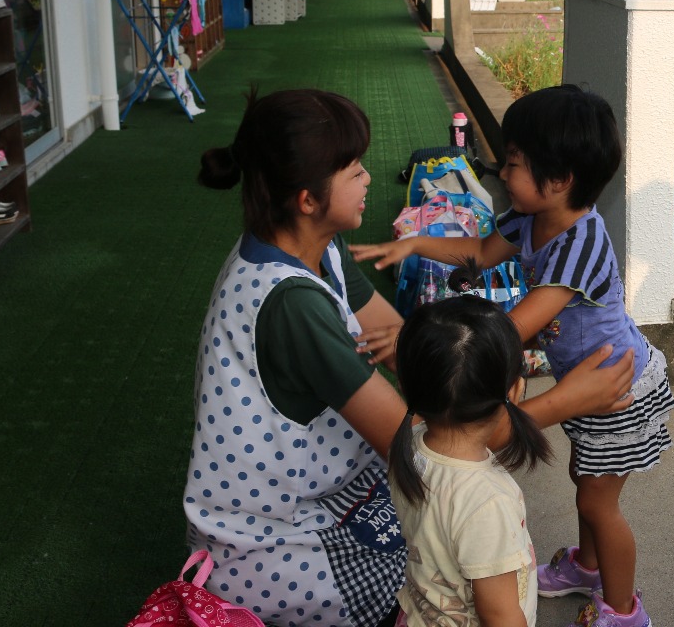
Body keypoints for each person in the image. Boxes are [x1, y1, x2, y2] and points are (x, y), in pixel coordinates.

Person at [186, 88, 636, 627]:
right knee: (449, 567)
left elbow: (405, 341)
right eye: (353, 170)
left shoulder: (314, 247)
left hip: (328, 481)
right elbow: (433, 446)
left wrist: (448, 356)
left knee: (452, 532)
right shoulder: (291, 307)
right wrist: (567, 400)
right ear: (307, 199)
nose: (369, 179)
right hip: (275, 536)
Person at [353, 84, 674, 627]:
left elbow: (509, 329)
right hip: (585, 384)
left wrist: (416, 336)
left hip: (618, 389)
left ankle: (624, 611)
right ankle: (587, 568)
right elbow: (477, 253)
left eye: (515, 163)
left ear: (559, 181)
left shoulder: (580, 243)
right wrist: (416, 243)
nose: (502, 171)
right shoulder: (529, 218)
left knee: (600, 503)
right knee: (585, 480)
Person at [388, 295, 552, 627]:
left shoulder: (411, 448)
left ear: (405, 387)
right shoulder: (487, 503)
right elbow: (502, 617)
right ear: (515, 390)